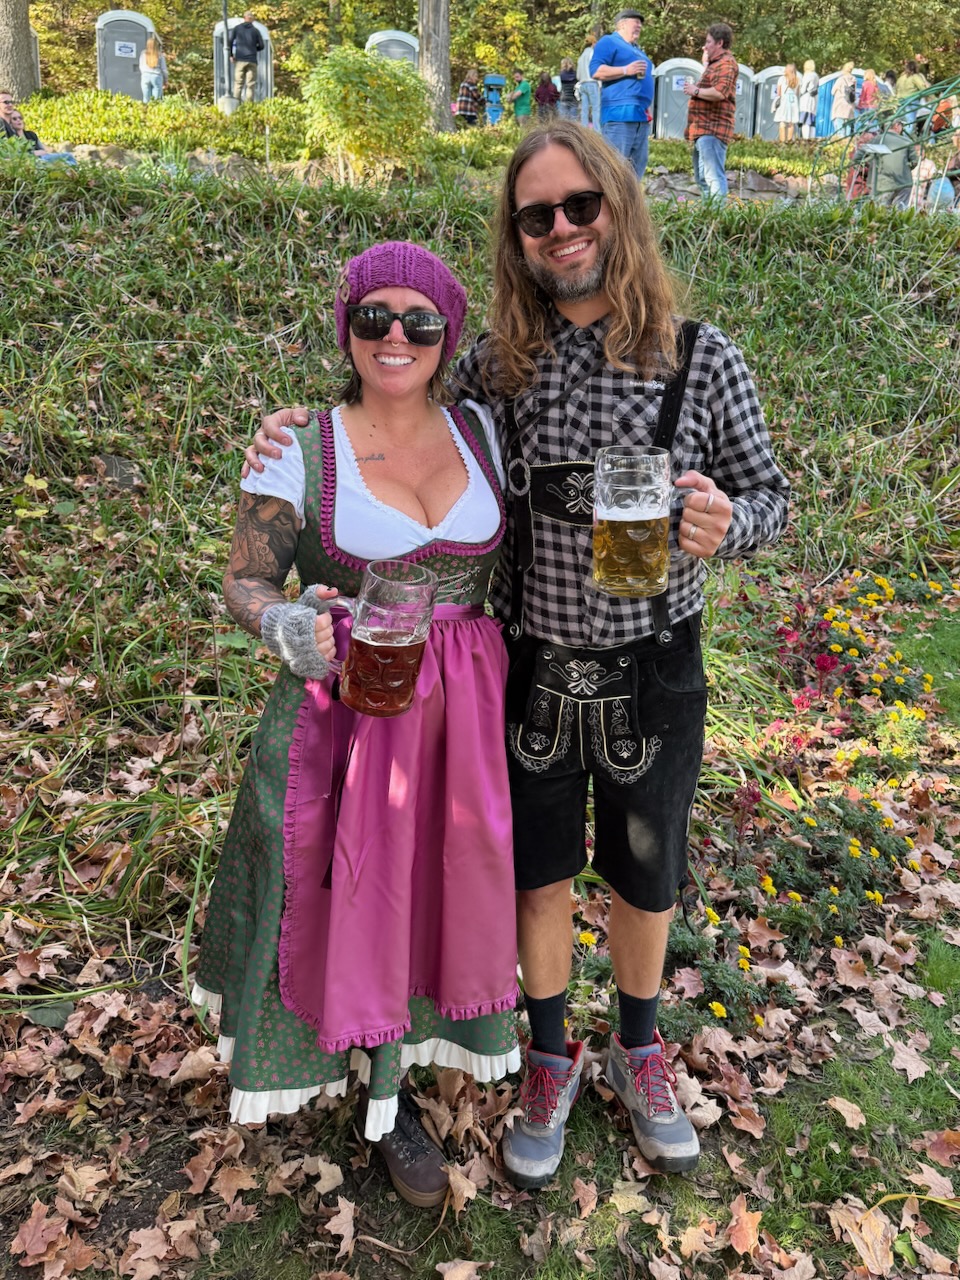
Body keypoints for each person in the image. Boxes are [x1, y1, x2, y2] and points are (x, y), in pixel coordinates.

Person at [248, 120, 790, 1190]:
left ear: (618, 207)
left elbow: (772, 494)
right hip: (530, 665)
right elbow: (397, 403)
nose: (560, 228)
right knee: (537, 874)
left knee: (646, 875)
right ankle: (550, 1057)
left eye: (579, 205)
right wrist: (296, 429)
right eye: (536, 215)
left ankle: (639, 1049)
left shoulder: (703, 356)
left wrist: (732, 522)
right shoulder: (498, 370)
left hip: (655, 660)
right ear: (518, 236)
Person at [194, 242, 520, 1209]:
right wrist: (286, 625)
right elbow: (244, 580)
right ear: (347, 329)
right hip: (346, 713)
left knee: (430, 892)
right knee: (348, 896)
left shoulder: (483, 430)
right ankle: (376, 1095)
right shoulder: (301, 448)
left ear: (448, 335)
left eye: (421, 320)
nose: (395, 336)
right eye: (374, 316)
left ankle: (405, 1068)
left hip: (461, 718)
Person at [590, 9, 654, 181]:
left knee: (636, 172)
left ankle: (631, 199)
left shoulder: (637, 49)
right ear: (622, 24)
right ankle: (611, 199)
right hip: (619, 115)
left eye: (641, 23)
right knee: (615, 169)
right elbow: (595, 71)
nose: (640, 26)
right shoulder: (609, 41)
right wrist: (626, 70)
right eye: (636, 22)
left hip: (641, 116)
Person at [683, 23, 739, 201]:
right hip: (702, 129)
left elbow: (719, 92)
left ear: (720, 43)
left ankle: (719, 215)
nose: (705, 46)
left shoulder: (727, 64)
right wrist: (706, 64)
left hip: (713, 129)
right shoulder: (716, 65)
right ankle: (709, 214)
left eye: (708, 42)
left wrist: (695, 90)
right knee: (702, 178)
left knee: (713, 177)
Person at [851, 118, 916, 207]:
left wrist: (868, 167)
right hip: (904, 184)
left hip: (881, 184)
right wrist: (904, 168)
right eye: (902, 125)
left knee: (881, 211)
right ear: (897, 125)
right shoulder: (907, 142)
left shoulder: (877, 140)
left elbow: (857, 157)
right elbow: (914, 162)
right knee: (900, 211)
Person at [5, 106, 78, 166]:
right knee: (66, 161)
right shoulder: (12, 138)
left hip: (43, 158)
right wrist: (34, 153)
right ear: (10, 123)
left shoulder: (31, 134)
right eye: (14, 119)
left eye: (20, 118)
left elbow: (43, 150)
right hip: (33, 162)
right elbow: (15, 156)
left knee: (68, 157)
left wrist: (39, 152)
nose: (18, 120)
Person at [230, 12, 264, 103]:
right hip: (252, 61)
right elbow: (262, 46)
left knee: (238, 83)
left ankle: (236, 104)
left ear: (244, 18)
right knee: (250, 85)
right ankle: (249, 106)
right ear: (252, 19)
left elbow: (230, 41)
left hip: (240, 60)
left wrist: (231, 55)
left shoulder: (237, 28)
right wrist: (254, 49)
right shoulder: (256, 31)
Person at [895, 59, 928, 133]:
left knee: (900, 122)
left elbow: (896, 90)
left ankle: (899, 135)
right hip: (911, 101)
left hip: (900, 102)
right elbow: (923, 88)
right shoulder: (915, 77)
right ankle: (906, 138)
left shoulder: (901, 78)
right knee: (910, 122)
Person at [577, 34, 600, 129]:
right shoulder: (592, 53)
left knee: (584, 109)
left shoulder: (581, 57)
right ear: (593, 43)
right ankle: (597, 130)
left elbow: (578, 75)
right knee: (595, 108)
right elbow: (595, 68)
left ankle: (584, 129)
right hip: (592, 82)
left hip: (582, 84)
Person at [774, 63, 800, 142]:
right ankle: (789, 141)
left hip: (784, 100)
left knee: (782, 121)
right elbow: (797, 93)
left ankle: (782, 141)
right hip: (793, 101)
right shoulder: (797, 79)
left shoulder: (782, 78)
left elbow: (778, 93)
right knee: (791, 123)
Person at [139, 33, 168, 103]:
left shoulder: (143, 53)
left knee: (146, 99)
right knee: (156, 100)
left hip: (145, 76)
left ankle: (145, 109)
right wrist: (165, 80)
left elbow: (141, 66)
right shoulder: (160, 55)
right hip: (157, 76)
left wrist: (144, 73)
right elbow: (164, 69)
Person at [831, 62, 856, 136]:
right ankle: (847, 141)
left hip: (840, 106)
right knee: (848, 129)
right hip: (849, 107)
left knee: (840, 129)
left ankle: (841, 141)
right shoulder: (854, 80)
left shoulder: (840, 79)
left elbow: (832, 92)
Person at [798, 60, 819, 140]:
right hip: (814, 100)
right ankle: (812, 139)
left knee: (805, 121)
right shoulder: (816, 76)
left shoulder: (807, 76)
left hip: (806, 101)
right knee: (812, 122)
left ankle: (806, 139)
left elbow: (803, 90)